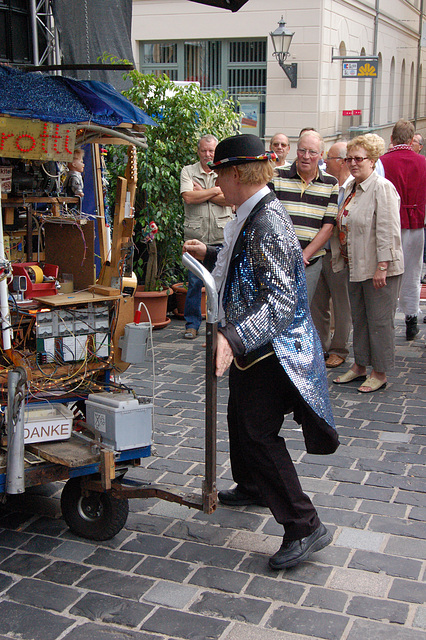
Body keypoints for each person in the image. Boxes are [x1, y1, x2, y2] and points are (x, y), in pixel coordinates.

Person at [183, 134, 339, 571]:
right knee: (239, 418)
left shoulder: (266, 219)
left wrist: (232, 339)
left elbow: (282, 300)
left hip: (272, 347)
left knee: (255, 431)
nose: (216, 184)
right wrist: (211, 251)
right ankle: (251, 483)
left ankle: (304, 524)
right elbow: (246, 262)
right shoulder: (251, 211)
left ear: (236, 174)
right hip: (256, 344)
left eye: (219, 175)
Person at [333, 135, 404, 393]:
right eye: (349, 158)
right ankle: (360, 365)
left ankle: (380, 372)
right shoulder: (352, 186)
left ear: (372, 161)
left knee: (380, 321)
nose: (353, 163)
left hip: (378, 268)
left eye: (358, 158)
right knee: (360, 318)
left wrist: (382, 266)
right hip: (356, 264)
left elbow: (388, 230)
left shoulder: (381, 187)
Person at [270, 130, 339, 302]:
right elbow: (270, 218)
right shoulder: (277, 176)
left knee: (302, 310)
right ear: (296, 151)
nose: (306, 156)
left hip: (310, 261)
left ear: (321, 155)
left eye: (312, 152)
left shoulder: (331, 184)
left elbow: (328, 226)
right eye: (302, 150)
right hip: (279, 258)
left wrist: (304, 255)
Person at [376, 120, 426, 340]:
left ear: (392, 138)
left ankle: (384, 319)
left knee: (385, 271)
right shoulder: (422, 162)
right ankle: (411, 318)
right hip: (416, 223)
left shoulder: (382, 162)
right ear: (410, 139)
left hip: (389, 222)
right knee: (412, 273)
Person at [180, 134, 234, 339]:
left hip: (221, 236)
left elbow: (229, 199)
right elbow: (188, 197)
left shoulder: (224, 170)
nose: (207, 154)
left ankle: (221, 325)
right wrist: (215, 191)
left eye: (211, 151)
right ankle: (192, 325)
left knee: (221, 283)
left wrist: (203, 192)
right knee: (195, 283)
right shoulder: (188, 171)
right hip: (197, 236)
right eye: (204, 150)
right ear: (198, 151)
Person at [311, 141, 352, 368]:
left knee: (340, 303)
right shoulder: (328, 183)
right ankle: (320, 346)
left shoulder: (352, 187)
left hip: (339, 253)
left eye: (330, 158)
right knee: (318, 304)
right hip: (319, 252)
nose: (325, 162)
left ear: (342, 162)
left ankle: (339, 349)